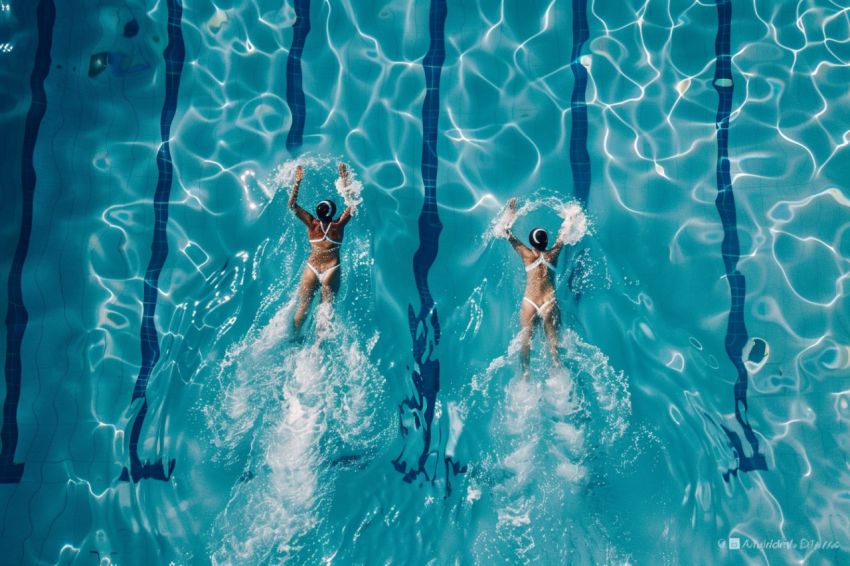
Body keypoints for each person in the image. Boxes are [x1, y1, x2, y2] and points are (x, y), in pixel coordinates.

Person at [504, 198, 566, 379]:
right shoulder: (553, 253)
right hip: (549, 301)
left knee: (526, 340)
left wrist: (511, 212)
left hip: (529, 302)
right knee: (552, 342)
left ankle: (525, 374)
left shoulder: (526, 254)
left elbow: (507, 233)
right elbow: (563, 235)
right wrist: (569, 217)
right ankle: (556, 368)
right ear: (546, 242)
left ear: (531, 242)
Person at [289, 163, 354, 334]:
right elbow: (353, 205)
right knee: (325, 311)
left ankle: (295, 336)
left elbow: (292, 205)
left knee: (302, 307)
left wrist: (297, 183)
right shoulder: (338, 226)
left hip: (312, 268)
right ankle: (318, 346)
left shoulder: (311, 223)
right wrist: (345, 179)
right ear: (332, 213)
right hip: (330, 270)